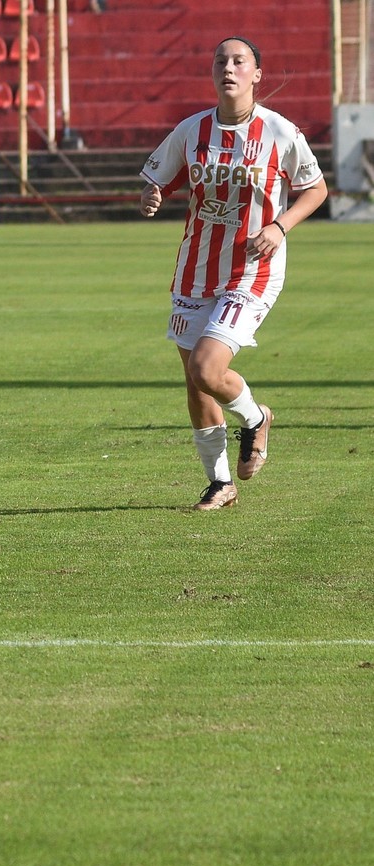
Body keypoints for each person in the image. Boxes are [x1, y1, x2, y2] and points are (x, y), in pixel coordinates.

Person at [140, 36, 326, 511]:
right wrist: (152, 196)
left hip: (253, 271)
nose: (229, 68)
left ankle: (255, 418)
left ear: (256, 74)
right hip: (195, 270)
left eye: (239, 61)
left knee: (207, 368)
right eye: (221, 60)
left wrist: (280, 226)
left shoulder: (280, 132)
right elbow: (158, 179)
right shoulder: (192, 130)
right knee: (195, 381)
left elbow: (316, 189)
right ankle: (220, 483)